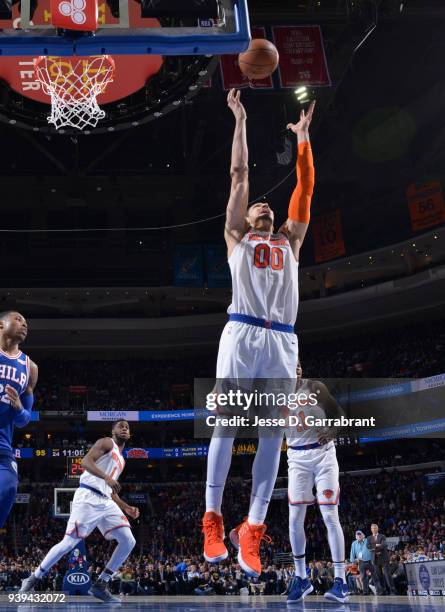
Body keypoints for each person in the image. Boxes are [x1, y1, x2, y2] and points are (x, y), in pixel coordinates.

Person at [202, 89, 316, 577]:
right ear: (246, 219)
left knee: (273, 436)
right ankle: (211, 519)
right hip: (243, 332)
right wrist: (240, 118)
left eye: (269, 206)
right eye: (258, 208)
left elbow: (305, 190)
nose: (264, 207)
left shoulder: (290, 240)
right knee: (227, 425)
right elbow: (240, 174)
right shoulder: (237, 237)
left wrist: (304, 142)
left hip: (283, 339)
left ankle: (252, 529)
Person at [20, 419, 139, 603]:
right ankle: (32, 579)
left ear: (130, 434)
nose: (124, 428)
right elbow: (85, 462)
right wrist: (107, 478)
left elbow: (109, 489)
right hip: (88, 496)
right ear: (113, 430)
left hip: (106, 501)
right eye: (120, 426)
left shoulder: (122, 460)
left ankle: (101, 585)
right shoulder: (106, 442)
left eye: (127, 427)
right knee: (68, 543)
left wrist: (126, 507)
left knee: (128, 540)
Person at [285, 361, 349, 604]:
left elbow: (340, 415)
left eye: (300, 364)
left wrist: (333, 431)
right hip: (297, 458)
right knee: (294, 519)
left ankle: (341, 581)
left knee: (330, 515)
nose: (298, 368)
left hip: (323, 455)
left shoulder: (315, 387)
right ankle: (301, 578)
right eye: (292, 365)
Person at [0, 311, 38, 529]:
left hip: (3, 445)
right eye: (18, 319)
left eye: (26, 321)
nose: (24, 324)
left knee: (8, 488)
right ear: (1, 325)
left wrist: (18, 408)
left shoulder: (29, 367)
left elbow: (25, 421)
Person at [367, 523, 396, 595]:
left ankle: (392, 590)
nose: (374, 529)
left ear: (377, 529)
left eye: (375, 528)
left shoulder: (382, 536)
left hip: (384, 558)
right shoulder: (369, 538)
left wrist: (373, 547)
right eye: (372, 528)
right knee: (379, 576)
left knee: (387, 575)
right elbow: (368, 546)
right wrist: (376, 545)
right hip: (375, 559)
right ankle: (383, 590)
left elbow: (384, 545)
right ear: (371, 530)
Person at [350, 529, 379, 595]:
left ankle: (379, 591)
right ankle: (365, 592)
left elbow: (373, 548)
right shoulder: (354, 543)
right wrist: (353, 561)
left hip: (370, 561)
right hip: (361, 562)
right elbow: (352, 553)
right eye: (357, 535)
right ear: (356, 536)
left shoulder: (367, 540)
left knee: (375, 576)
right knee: (363, 578)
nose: (359, 536)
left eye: (360, 534)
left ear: (363, 535)